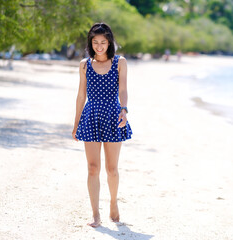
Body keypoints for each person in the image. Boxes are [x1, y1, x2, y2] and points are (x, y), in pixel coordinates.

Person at [72, 22, 133, 228]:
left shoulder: (120, 62)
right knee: (92, 168)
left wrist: (124, 109)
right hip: (91, 116)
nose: (99, 46)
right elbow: (81, 96)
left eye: (103, 42)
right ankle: (95, 214)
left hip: (114, 115)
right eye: (95, 42)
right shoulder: (84, 64)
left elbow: (123, 89)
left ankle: (114, 203)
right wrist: (76, 123)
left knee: (111, 168)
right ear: (91, 43)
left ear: (109, 43)